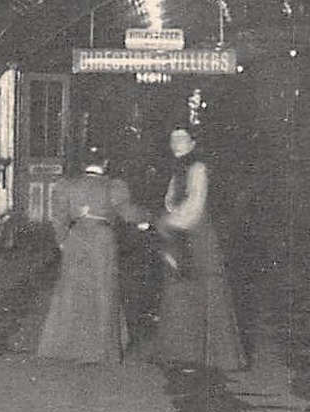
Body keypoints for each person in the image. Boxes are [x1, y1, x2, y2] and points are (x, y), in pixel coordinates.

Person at [36, 147, 144, 364]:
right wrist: (146, 219)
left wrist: (63, 241)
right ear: (104, 163)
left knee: (72, 291)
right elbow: (128, 213)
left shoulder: (66, 185)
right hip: (103, 240)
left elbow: (58, 218)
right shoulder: (113, 186)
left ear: (83, 165)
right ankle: (102, 351)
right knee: (103, 290)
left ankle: (66, 348)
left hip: (76, 237)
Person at [154, 125, 245, 371]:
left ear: (193, 143)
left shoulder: (198, 168)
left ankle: (206, 357)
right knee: (180, 292)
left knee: (201, 291)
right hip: (181, 234)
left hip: (198, 237)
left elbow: (195, 207)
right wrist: (170, 214)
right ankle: (183, 354)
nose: (176, 143)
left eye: (182, 139)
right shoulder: (179, 169)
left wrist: (167, 221)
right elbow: (171, 200)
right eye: (173, 139)